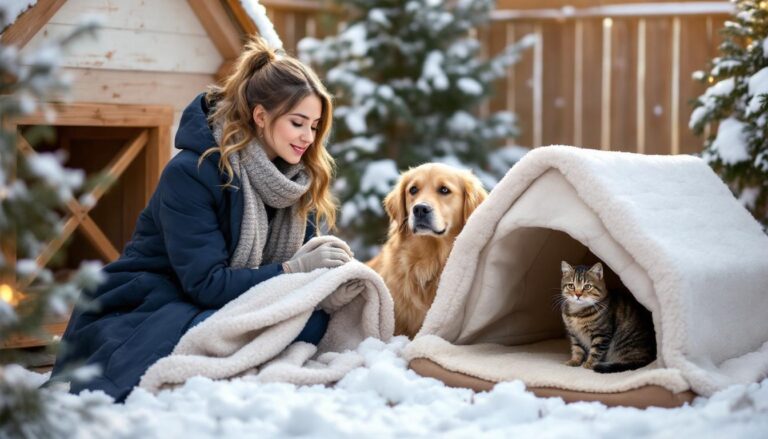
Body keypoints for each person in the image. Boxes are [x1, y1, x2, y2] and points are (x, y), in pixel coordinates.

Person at [50, 36, 353, 402]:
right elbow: (207, 284)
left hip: (226, 299)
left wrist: (329, 269)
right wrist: (294, 270)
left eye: (315, 126)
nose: (308, 138)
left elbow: (303, 269)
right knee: (233, 332)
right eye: (298, 123)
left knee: (314, 322)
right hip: (153, 299)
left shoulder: (294, 180)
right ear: (261, 116)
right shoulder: (193, 172)